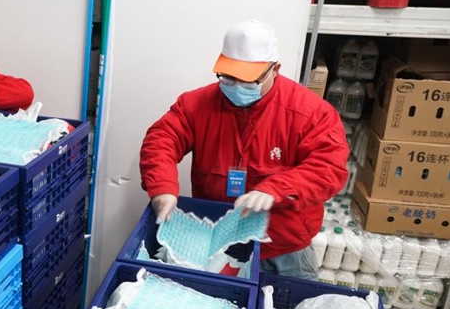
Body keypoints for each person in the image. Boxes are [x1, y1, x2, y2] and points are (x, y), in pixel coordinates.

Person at [139, 20, 348, 280]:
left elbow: (328, 168)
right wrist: (162, 188)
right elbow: (162, 139)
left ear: (275, 70)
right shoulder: (196, 105)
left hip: (283, 248)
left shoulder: (311, 114)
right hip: (216, 242)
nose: (236, 86)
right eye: (228, 77)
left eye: (248, 80)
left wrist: (277, 188)